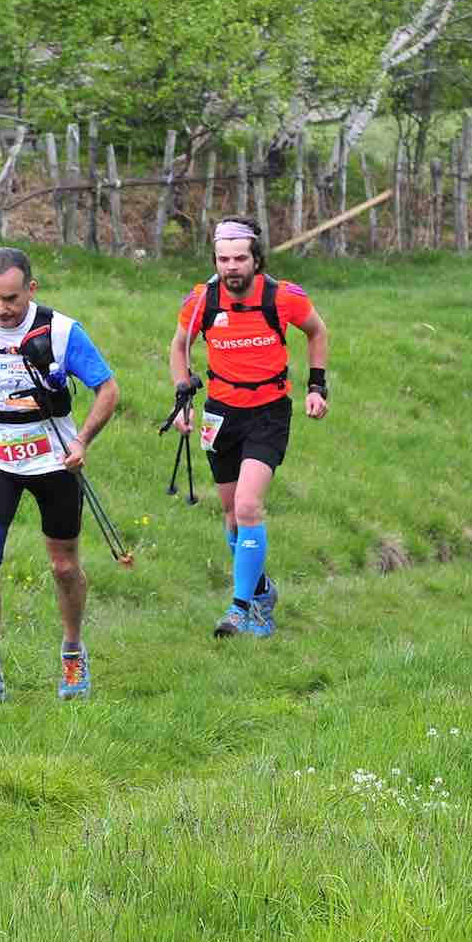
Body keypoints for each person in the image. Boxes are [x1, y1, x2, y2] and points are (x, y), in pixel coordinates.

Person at [0, 247, 119, 701]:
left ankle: (73, 650)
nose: (0, 309)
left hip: (53, 459)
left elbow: (108, 390)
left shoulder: (62, 331)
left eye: (11, 299)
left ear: (31, 289)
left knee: (63, 565)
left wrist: (82, 441)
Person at [168, 221, 329, 637]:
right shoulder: (202, 301)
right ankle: (260, 592)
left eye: (240, 258)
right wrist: (182, 399)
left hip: (269, 413)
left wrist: (316, 387)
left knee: (247, 505)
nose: (232, 267)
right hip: (220, 414)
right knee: (231, 513)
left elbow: (316, 331)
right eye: (224, 259)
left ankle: (240, 609)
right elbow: (179, 346)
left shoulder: (284, 297)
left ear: (257, 260)